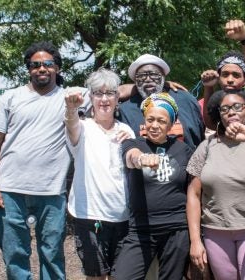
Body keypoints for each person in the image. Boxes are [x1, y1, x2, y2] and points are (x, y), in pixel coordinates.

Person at [0, 41, 70, 280]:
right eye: (35, 65)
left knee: (52, 255)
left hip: (52, 190)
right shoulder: (10, 98)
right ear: (29, 69)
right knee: (14, 257)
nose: (42, 69)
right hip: (10, 191)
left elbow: (111, 90)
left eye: (48, 64)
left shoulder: (71, 98)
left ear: (58, 68)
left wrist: (160, 83)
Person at [186, 90, 245, 280]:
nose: (231, 112)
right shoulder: (207, 146)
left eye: (238, 107)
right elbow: (193, 195)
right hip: (216, 235)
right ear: (219, 116)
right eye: (225, 109)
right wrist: (196, 241)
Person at [64, 68, 135, 279]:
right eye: (98, 93)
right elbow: (71, 124)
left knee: (119, 275)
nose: (104, 99)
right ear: (91, 97)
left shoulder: (126, 130)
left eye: (110, 93)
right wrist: (70, 109)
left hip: (122, 216)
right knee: (95, 275)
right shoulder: (83, 127)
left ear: (117, 98)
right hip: (89, 215)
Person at [115, 93, 193, 280]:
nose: (155, 125)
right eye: (150, 119)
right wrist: (141, 158)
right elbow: (131, 157)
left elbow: (193, 190)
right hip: (141, 230)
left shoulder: (184, 150)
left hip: (177, 229)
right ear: (144, 121)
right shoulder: (133, 143)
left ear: (171, 123)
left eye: (161, 120)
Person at [118, 53, 204, 150]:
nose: (148, 79)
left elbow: (200, 136)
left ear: (163, 76)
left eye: (154, 74)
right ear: (135, 80)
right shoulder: (125, 111)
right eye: (141, 76)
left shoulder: (186, 100)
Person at [200, 19, 245, 131]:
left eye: (236, 75)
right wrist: (208, 87)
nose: (230, 80)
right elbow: (211, 124)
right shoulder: (203, 102)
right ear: (218, 78)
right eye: (225, 75)